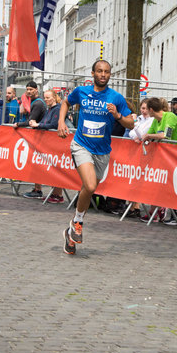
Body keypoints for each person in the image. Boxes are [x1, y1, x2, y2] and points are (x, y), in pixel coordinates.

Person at [57, 60, 133, 255]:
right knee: (90, 186)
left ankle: (71, 232)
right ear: (92, 73)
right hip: (81, 145)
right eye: (99, 71)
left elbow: (131, 124)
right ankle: (78, 222)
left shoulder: (116, 98)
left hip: (102, 152)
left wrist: (117, 115)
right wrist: (61, 122)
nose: (103, 74)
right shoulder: (81, 92)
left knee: (88, 189)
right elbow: (66, 102)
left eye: (106, 72)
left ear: (110, 75)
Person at [138, 97, 177, 225]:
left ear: (151, 109)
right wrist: (145, 137)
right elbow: (148, 135)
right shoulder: (156, 121)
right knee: (168, 184)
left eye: (146, 109)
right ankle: (167, 213)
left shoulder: (170, 117)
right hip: (171, 156)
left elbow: (164, 135)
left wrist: (149, 136)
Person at [22, 89, 64, 203]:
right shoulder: (49, 109)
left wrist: (38, 124)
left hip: (56, 143)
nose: (46, 100)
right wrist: (36, 124)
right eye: (45, 97)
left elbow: (54, 124)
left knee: (56, 168)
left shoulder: (58, 109)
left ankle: (58, 195)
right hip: (48, 144)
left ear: (54, 97)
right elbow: (45, 122)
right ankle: (53, 193)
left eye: (48, 97)